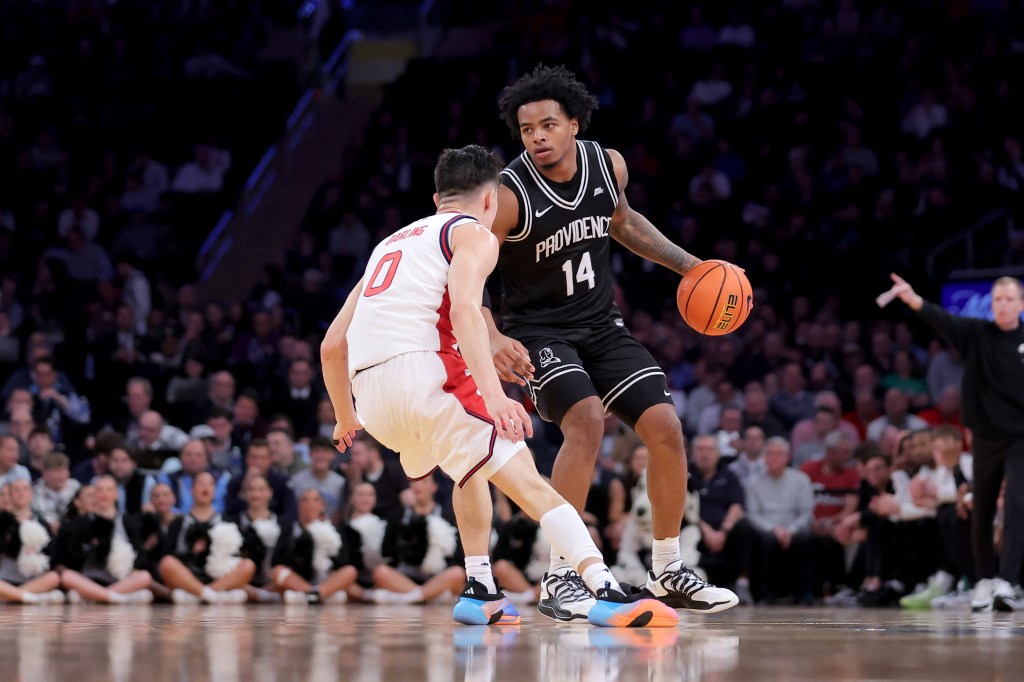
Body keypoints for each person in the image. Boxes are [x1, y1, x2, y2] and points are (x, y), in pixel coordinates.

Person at [322, 144, 678, 627]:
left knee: (468, 467)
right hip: (426, 375)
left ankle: (479, 588)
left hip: (371, 400)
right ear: (491, 200)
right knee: (531, 483)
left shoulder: (388, 245)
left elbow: (333, 344)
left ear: (436, 198)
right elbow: (468, 310)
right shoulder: (472, 234)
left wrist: (345, 415)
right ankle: (605, 591)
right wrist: (494, 399)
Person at [485, 64, 737, 619]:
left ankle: (667, 569)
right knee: (586, 422)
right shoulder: (508, 194)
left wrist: (691, 266)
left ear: (574, 123)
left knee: (667, 429)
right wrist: (493, 335)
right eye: (528, 130)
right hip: (537, 333)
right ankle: (560, 576)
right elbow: (469, 272)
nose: (538, 138)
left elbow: (622, 222)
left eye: (549, 125)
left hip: (601, 325)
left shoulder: (608, 164)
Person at [886, 273, 1024, 611]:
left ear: (1020, 304)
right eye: (997, 299)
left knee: (1019, 502)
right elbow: (941, 318)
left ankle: (1008, 582)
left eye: (1009, 299)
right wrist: (912, 298)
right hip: (986, 435)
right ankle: (984, 580)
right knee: (981, 505)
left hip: (1021, 435)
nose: (1002, 305)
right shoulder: (978, 334)